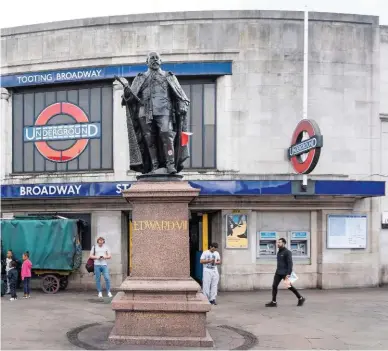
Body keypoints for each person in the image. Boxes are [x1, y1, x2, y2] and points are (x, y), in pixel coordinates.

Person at [121, 51, 190, 174]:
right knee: (149, 140)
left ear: (161, 61)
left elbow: (181, 96)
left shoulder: (169, 76)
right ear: (147, 62)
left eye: (157, 58)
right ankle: (154, 165)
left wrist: (182, 104)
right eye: (152, 58)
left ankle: (170, 164)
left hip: (164, 110)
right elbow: (130, 99)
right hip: (144, 112)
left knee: (167, 135)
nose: (155, 60)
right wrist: (127, 92)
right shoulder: (140, 77)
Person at [265, 238, 305, 307]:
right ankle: (274, 302)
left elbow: (290, 263)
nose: (278, 243)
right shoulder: (279, 252)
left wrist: (288, 274)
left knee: (289, 287)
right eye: (277, 242)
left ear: (283, 243)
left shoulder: (287, 252)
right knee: (274, 286)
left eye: (279, 242)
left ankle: (300, 298)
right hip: (278, 272)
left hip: (285, 273)